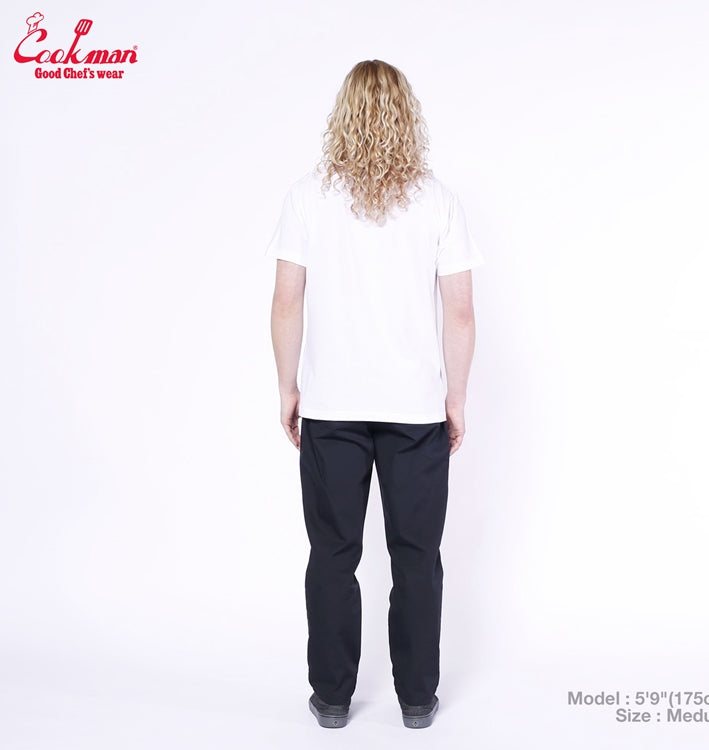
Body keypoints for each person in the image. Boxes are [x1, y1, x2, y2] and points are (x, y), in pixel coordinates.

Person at [265, 59, 484, 729]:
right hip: (415, 410)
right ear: (406, 116)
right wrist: (455, 400)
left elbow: (286, 301)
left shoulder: (307, 197)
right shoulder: (437, 201)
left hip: (331, 407)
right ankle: (417, 699)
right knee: (416, 557)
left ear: (343, 115)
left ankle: (332, 698)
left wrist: (288, 387)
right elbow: (460, 312)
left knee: (333, 555)